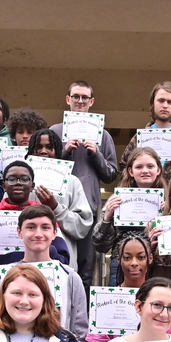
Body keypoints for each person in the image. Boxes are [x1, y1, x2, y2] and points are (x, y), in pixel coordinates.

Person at [0, 205, 89, 342]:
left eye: (45, 227)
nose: (38, 234)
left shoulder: (71, 278)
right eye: (31, 227)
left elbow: (80, 331)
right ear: (19, 232)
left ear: (54, 233)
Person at [50, 80, 120, 287]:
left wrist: (96, 154)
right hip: (56, 206)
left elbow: (111, 175)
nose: (80, 101)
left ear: (92, 101)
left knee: (86, 267)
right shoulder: (54, 131)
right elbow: (44, 168)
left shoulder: (103, 135)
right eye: (76, 97)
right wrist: (64, 152)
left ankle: (83, 308)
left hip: (88, 210)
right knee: (56, 260)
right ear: (68, 99)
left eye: (84, 97)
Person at [0, 161, 71, 306]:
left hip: (44, 299)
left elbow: (63, 260)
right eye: (12, 179)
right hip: (4, 301)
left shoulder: (47, 219)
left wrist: (44, 247)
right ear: (4, 185)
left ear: (32, 186)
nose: (18, 183)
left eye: (24, 179)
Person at [93, 147, 166, 283]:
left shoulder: (169, 201)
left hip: (158, 265)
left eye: (150, 166)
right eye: (139, 167)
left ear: (158, 170)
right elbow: (100, 245)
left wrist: (169, 215)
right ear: (131, 171)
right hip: (122, 266)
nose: (145, 170)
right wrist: (107, 218)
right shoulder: (117, 200)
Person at [25, 129, 93, 272]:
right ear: (31, 150)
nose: (44, 151)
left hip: (62, 264)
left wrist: (55, 207)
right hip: (25, 262)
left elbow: (83, 225)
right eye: (38, 147)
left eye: (49, 147)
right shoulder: (21, 181)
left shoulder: (72, 182)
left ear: (57, 150)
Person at [84, 231, 153, 342]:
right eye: (127, 258)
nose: (134, 263)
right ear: (118, 260)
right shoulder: (105, 299)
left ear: (150, 258)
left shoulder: (160, 297)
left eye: (141, 257)